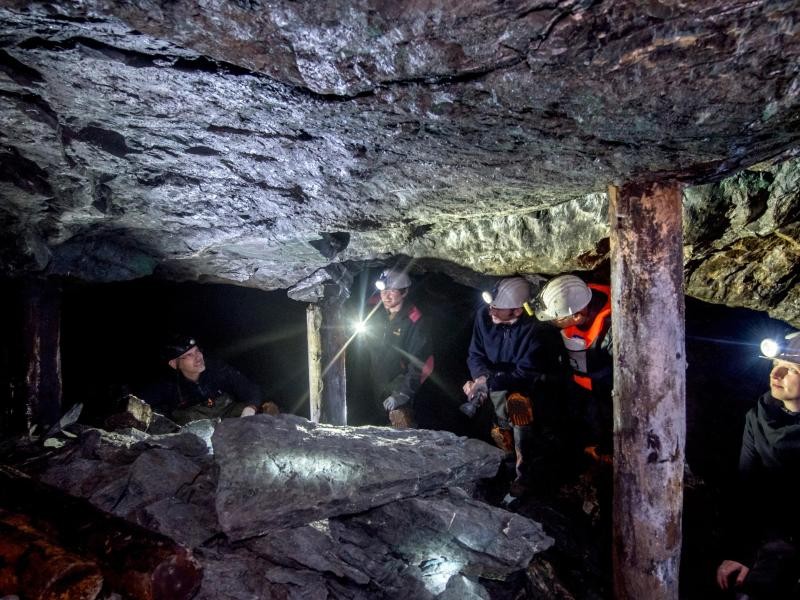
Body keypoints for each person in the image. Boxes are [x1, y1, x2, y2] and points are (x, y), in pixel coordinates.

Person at [715, 331, 800, 600]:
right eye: (775, 365)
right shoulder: (759, 416)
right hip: (774, 535)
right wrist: (739, 553)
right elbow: (746, 487)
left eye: (792, 369)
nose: (776, 374)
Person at [463, 276, 559, 496]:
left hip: (525, 389)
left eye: (498, 308)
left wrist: (489, 381)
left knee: (521, 422)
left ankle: (524, 476)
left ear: (517, 311)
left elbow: (525, 372)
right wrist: (479, 378)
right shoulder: (484, 317)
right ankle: (504, 469)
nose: (491, 311)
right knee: (500, 429)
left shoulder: (536, 331)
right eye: (491, 306)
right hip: (495, 385)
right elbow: (475, 354)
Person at [535, 274, 612, 462]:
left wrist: (596, 383)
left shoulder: (614, 328)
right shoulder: (575, 295)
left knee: (604, 418)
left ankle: (606, 453)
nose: (552, 321)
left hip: (603, 385)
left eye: (556, 318)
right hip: (577, 377)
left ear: (577, 316)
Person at [141, 334, 264, 425]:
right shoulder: (166, 385)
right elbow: (141, 403)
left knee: (267, 409)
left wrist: (250, 409)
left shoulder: (217, 368)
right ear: (174, 364)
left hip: (229, 417)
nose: (198, 357)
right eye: (189, 355)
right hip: (198, 432)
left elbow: (249, 388)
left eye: (197, 351)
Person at [367, 266, 433, 428]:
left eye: (392, 291)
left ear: (404, 292)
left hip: (400, 381)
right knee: (380, 426)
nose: (385, 296)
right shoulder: (373, 309)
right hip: (377, 378)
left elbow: (421, 362)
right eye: (383, 290)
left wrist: (403, 392)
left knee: (401, 423)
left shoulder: (415, 320)